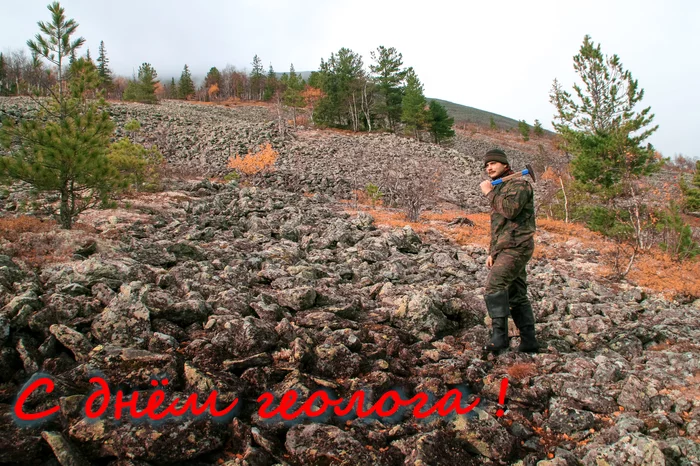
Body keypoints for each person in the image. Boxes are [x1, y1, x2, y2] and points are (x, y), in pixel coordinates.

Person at [479, 148, 540, 353]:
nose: (489, 167)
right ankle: (529, 341)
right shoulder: (501, 188)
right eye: (487, 165)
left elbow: (510, 211)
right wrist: (492, 252)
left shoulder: (519, 184)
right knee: (516, 294)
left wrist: (488, 192)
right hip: (505, 247)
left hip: (517, 246)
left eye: (493, 163)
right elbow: (498, 225)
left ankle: (500, 338)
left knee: (494, 285)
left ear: (505, 165)